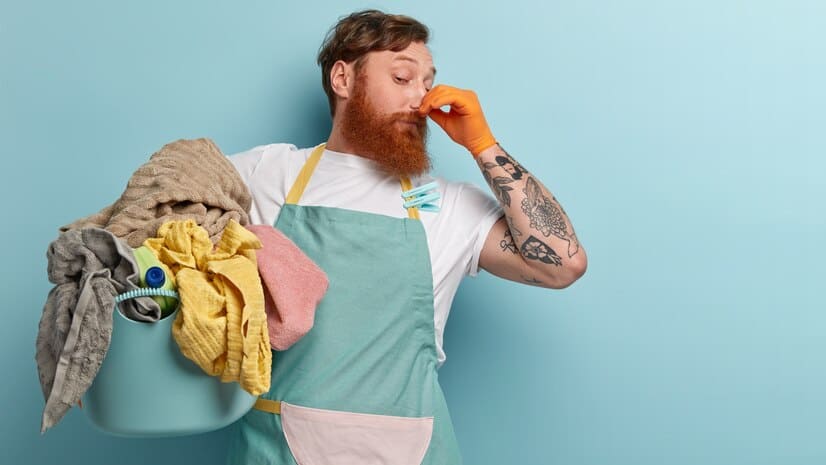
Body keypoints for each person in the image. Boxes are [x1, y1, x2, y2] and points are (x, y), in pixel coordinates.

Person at [225, 9, 587, 464]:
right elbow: (152, 222)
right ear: (343, 78)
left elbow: (562, 263)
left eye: (427, 83)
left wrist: (484, 146)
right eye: (402, 77)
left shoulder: (446, 205)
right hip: (278, 446)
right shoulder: (265, 173)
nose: (421, 99)